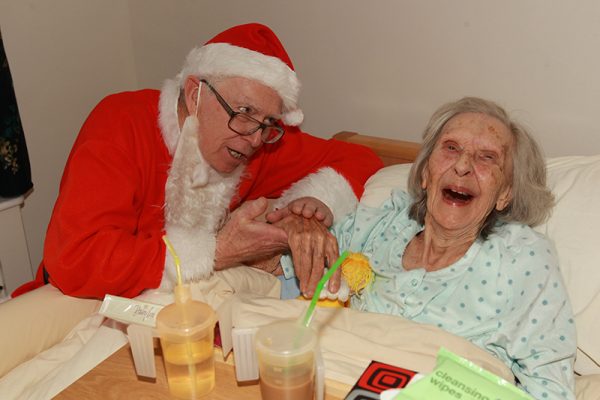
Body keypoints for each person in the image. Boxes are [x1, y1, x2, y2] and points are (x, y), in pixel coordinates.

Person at [13, 23, 383, 299]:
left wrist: (310, 208)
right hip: (73, 298)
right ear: (194, 94)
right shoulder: (119, 121)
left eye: (268, 124)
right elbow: (76, 260)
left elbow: (358, 157)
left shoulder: (258, 142)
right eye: (243, 112)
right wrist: (217, 252)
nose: (254, 138)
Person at [329, 97, 576, 399]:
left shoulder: (522, 257)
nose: (462, 166)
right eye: (451, 148)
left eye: (486, 157)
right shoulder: (382, 224)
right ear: (425, 173)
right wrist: (300, 227)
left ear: (505, 194)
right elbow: (286, 269)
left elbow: (551, 387)